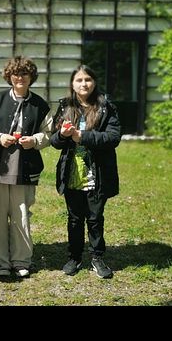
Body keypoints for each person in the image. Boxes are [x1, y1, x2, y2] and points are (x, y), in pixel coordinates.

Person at [0, 55, 52, 278]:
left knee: (21, 216)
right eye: (16, 74)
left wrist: (35, 141)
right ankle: (0, 262)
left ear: (31, 77)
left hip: (25, 168)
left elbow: (48, 133)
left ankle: (21, 261)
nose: (20, 77)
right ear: (9, 76)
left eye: (24, 74)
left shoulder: (40, 105)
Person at [50, 64, 120, 279]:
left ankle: (97, 257)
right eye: (79, 80)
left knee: (95, 217)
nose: (84, 84)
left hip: (97, 173)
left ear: (94, 82)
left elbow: (113, 137)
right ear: (72, 84)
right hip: (72, 172)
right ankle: (74, 257)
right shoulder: (65, 107)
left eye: (87, 79)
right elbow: (54, 141)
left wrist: (84, 136)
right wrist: (62, 135)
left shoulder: (106, 107)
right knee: (74, 218)